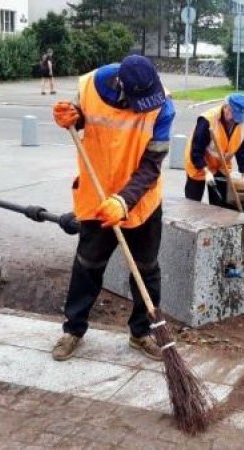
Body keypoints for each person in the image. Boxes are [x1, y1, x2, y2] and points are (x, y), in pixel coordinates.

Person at [51, 55, 175, 362]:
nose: (146, 106)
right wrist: (72, 116)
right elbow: (83, 119)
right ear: (122, 87)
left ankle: (141, 333)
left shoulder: (163, 106)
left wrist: (123, 200)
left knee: (146, 269)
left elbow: (151, 165)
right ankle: (73, 329)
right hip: (97, 196)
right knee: (87, 265)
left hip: (141, 202)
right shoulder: (91, 86)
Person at [184, 94, 244, 212]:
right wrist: (206, 172)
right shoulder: (208, 120)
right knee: (193, 203)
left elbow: (243, 150)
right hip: (199, 165)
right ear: (226, 107)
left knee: (220, 206)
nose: (235, 120)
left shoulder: (241, 123)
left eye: (239, 117)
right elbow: (196, 150)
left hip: (221, 166)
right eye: (233, 116)